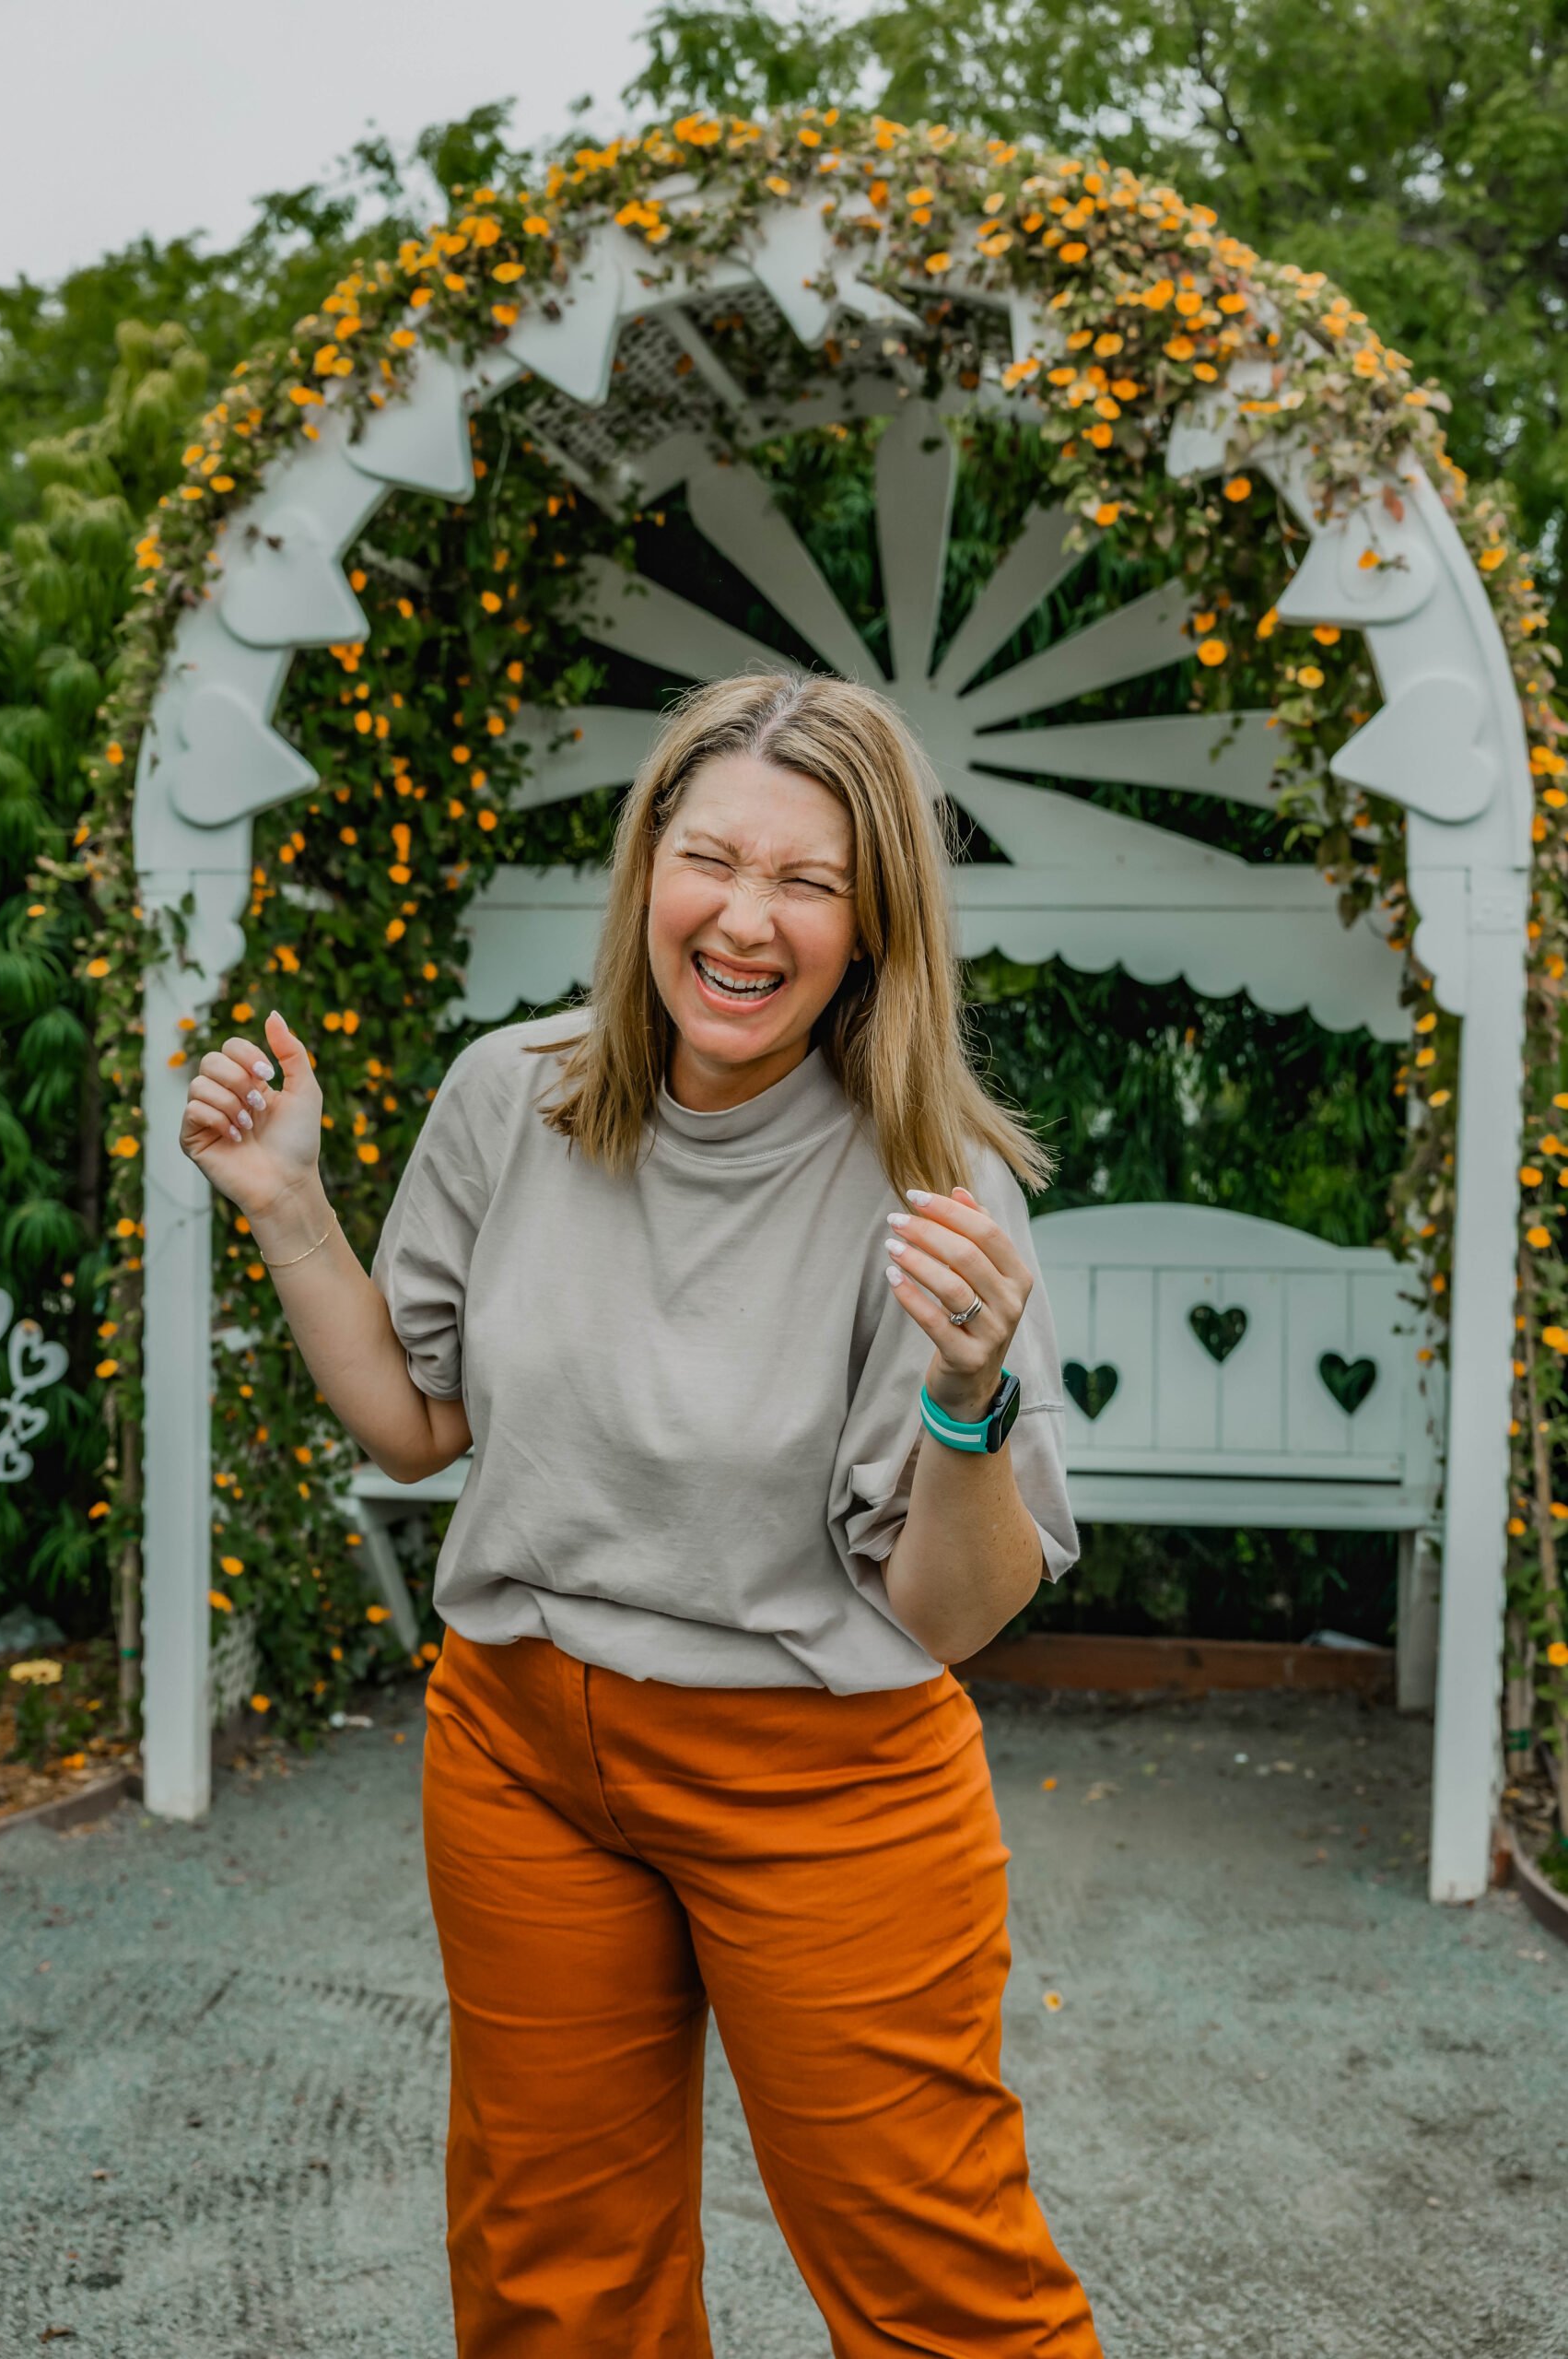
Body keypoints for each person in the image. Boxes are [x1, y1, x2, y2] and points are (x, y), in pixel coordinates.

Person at [180, 671, 1104, 2359]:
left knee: (939, 2289)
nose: (745, 919)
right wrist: (293, 1210)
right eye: (710, 859)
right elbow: (416, 1421)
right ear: (646, 874)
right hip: (523, 1751)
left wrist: (973, 1398)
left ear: (875, 919)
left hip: (826, 1778)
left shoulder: (935, 1182)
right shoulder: (508, 1098)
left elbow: (950, 1614)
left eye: (808, 882)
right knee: (553, 2281)